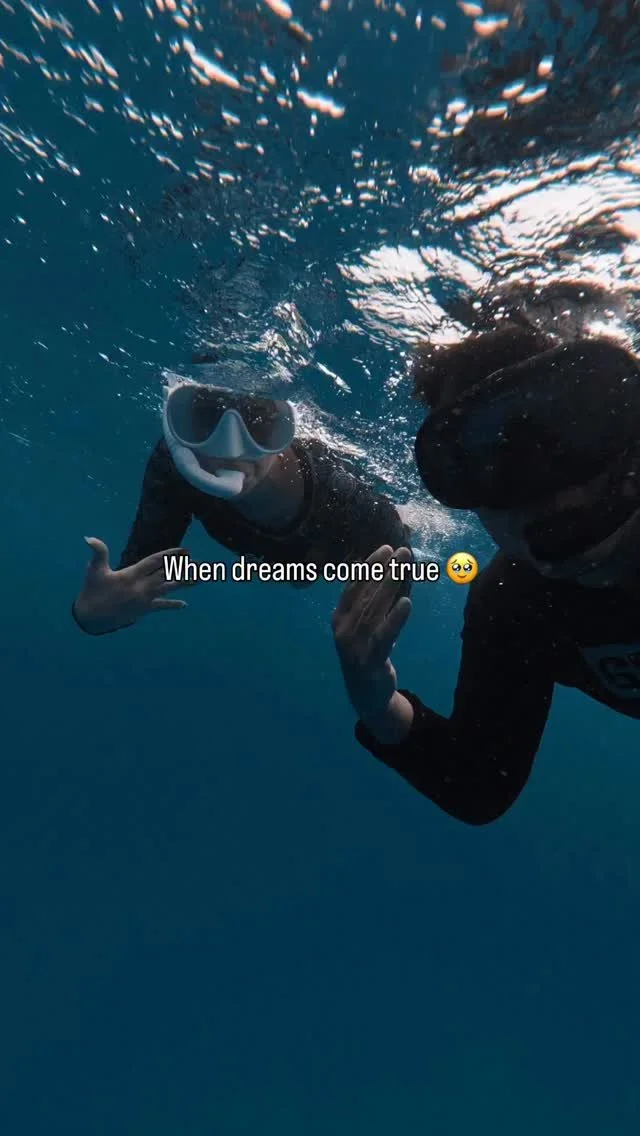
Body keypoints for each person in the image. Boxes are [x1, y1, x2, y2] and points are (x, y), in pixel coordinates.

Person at [332, 321, 640, 825]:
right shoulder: (517, 603)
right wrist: (376, 702)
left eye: (570, 426)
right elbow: (479, 782)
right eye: (486, 462)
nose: (545, 489)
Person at [73, 376, 410, 636]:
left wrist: (376, 629)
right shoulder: (174, 468)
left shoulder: (342, 491)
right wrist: (94, 615)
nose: (230, 448)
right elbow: (133, 582)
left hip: (333, 546)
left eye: (258, 418)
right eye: (206, 416)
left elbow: (397, 554)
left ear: (285, 423)